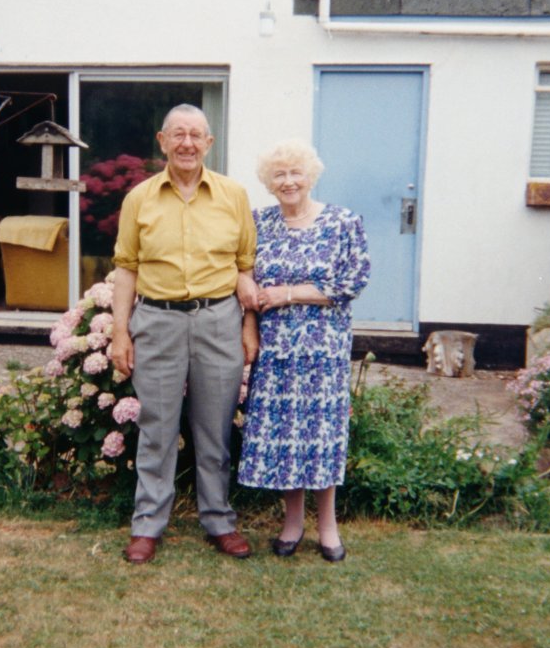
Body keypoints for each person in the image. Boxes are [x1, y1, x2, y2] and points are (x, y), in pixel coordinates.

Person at [109, 104, 260, 565]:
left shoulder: (233, 195)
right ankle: (148, 525)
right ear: (162, 141)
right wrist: (120, 333)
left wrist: (248, 326)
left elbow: (245, 265)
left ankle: (219, 520)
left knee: (214, 428)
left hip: (219, 321)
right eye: (178, 134)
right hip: (158, 322)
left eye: (196, 135)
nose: (187, 143)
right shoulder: (140, 198)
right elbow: (126, 267)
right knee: (156, 428)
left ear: (209, 143)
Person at [239, 139, 370, 562]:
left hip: (322, 348)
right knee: (285, 434)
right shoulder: (259, 223)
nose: (289, 181)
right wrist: (252, 325)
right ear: (269, 182)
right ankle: (292, 522)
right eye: (280, 174)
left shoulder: (342, 222)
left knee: (322, 433)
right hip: (276, 349)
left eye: (296, 173)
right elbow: (246, 281)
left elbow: (351, 282)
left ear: (310, 176)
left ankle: (328, 526)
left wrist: (288, 294)